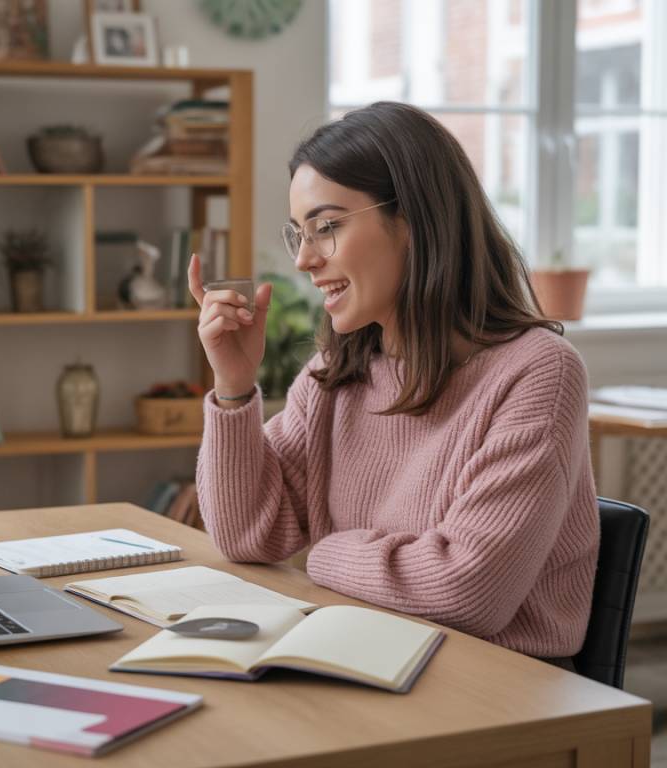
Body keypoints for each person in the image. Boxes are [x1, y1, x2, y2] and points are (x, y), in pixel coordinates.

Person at [188, 102, 598, 666]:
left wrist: (325, 553)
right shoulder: (339, 374)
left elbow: (465, 590)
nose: (306, 259)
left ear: (414, 222)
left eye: (327, 227)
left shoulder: (537, 373)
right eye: (299, 234)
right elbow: (246, 536)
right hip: (366, 652)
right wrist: (233, 386)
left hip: (495, 688)